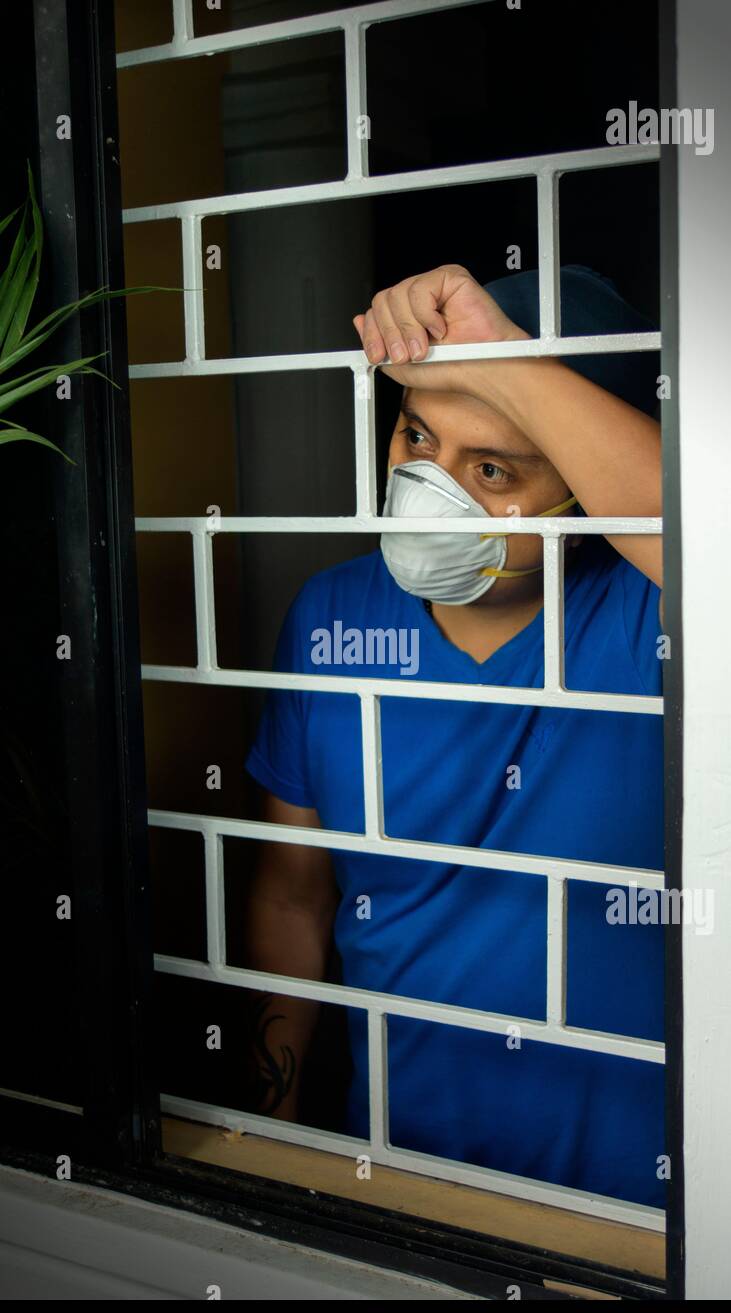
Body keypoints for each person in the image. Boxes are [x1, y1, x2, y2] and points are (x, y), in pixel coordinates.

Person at [243, 263, 666, 1209]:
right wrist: (264, 1115)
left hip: (630, 1198)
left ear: (587, 493)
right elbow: (294, 896)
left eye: (492, 470)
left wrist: (506, 364)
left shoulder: (656, 622)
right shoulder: (333, 615)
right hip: (398, 1170)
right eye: (418, 434)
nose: (427, 489)